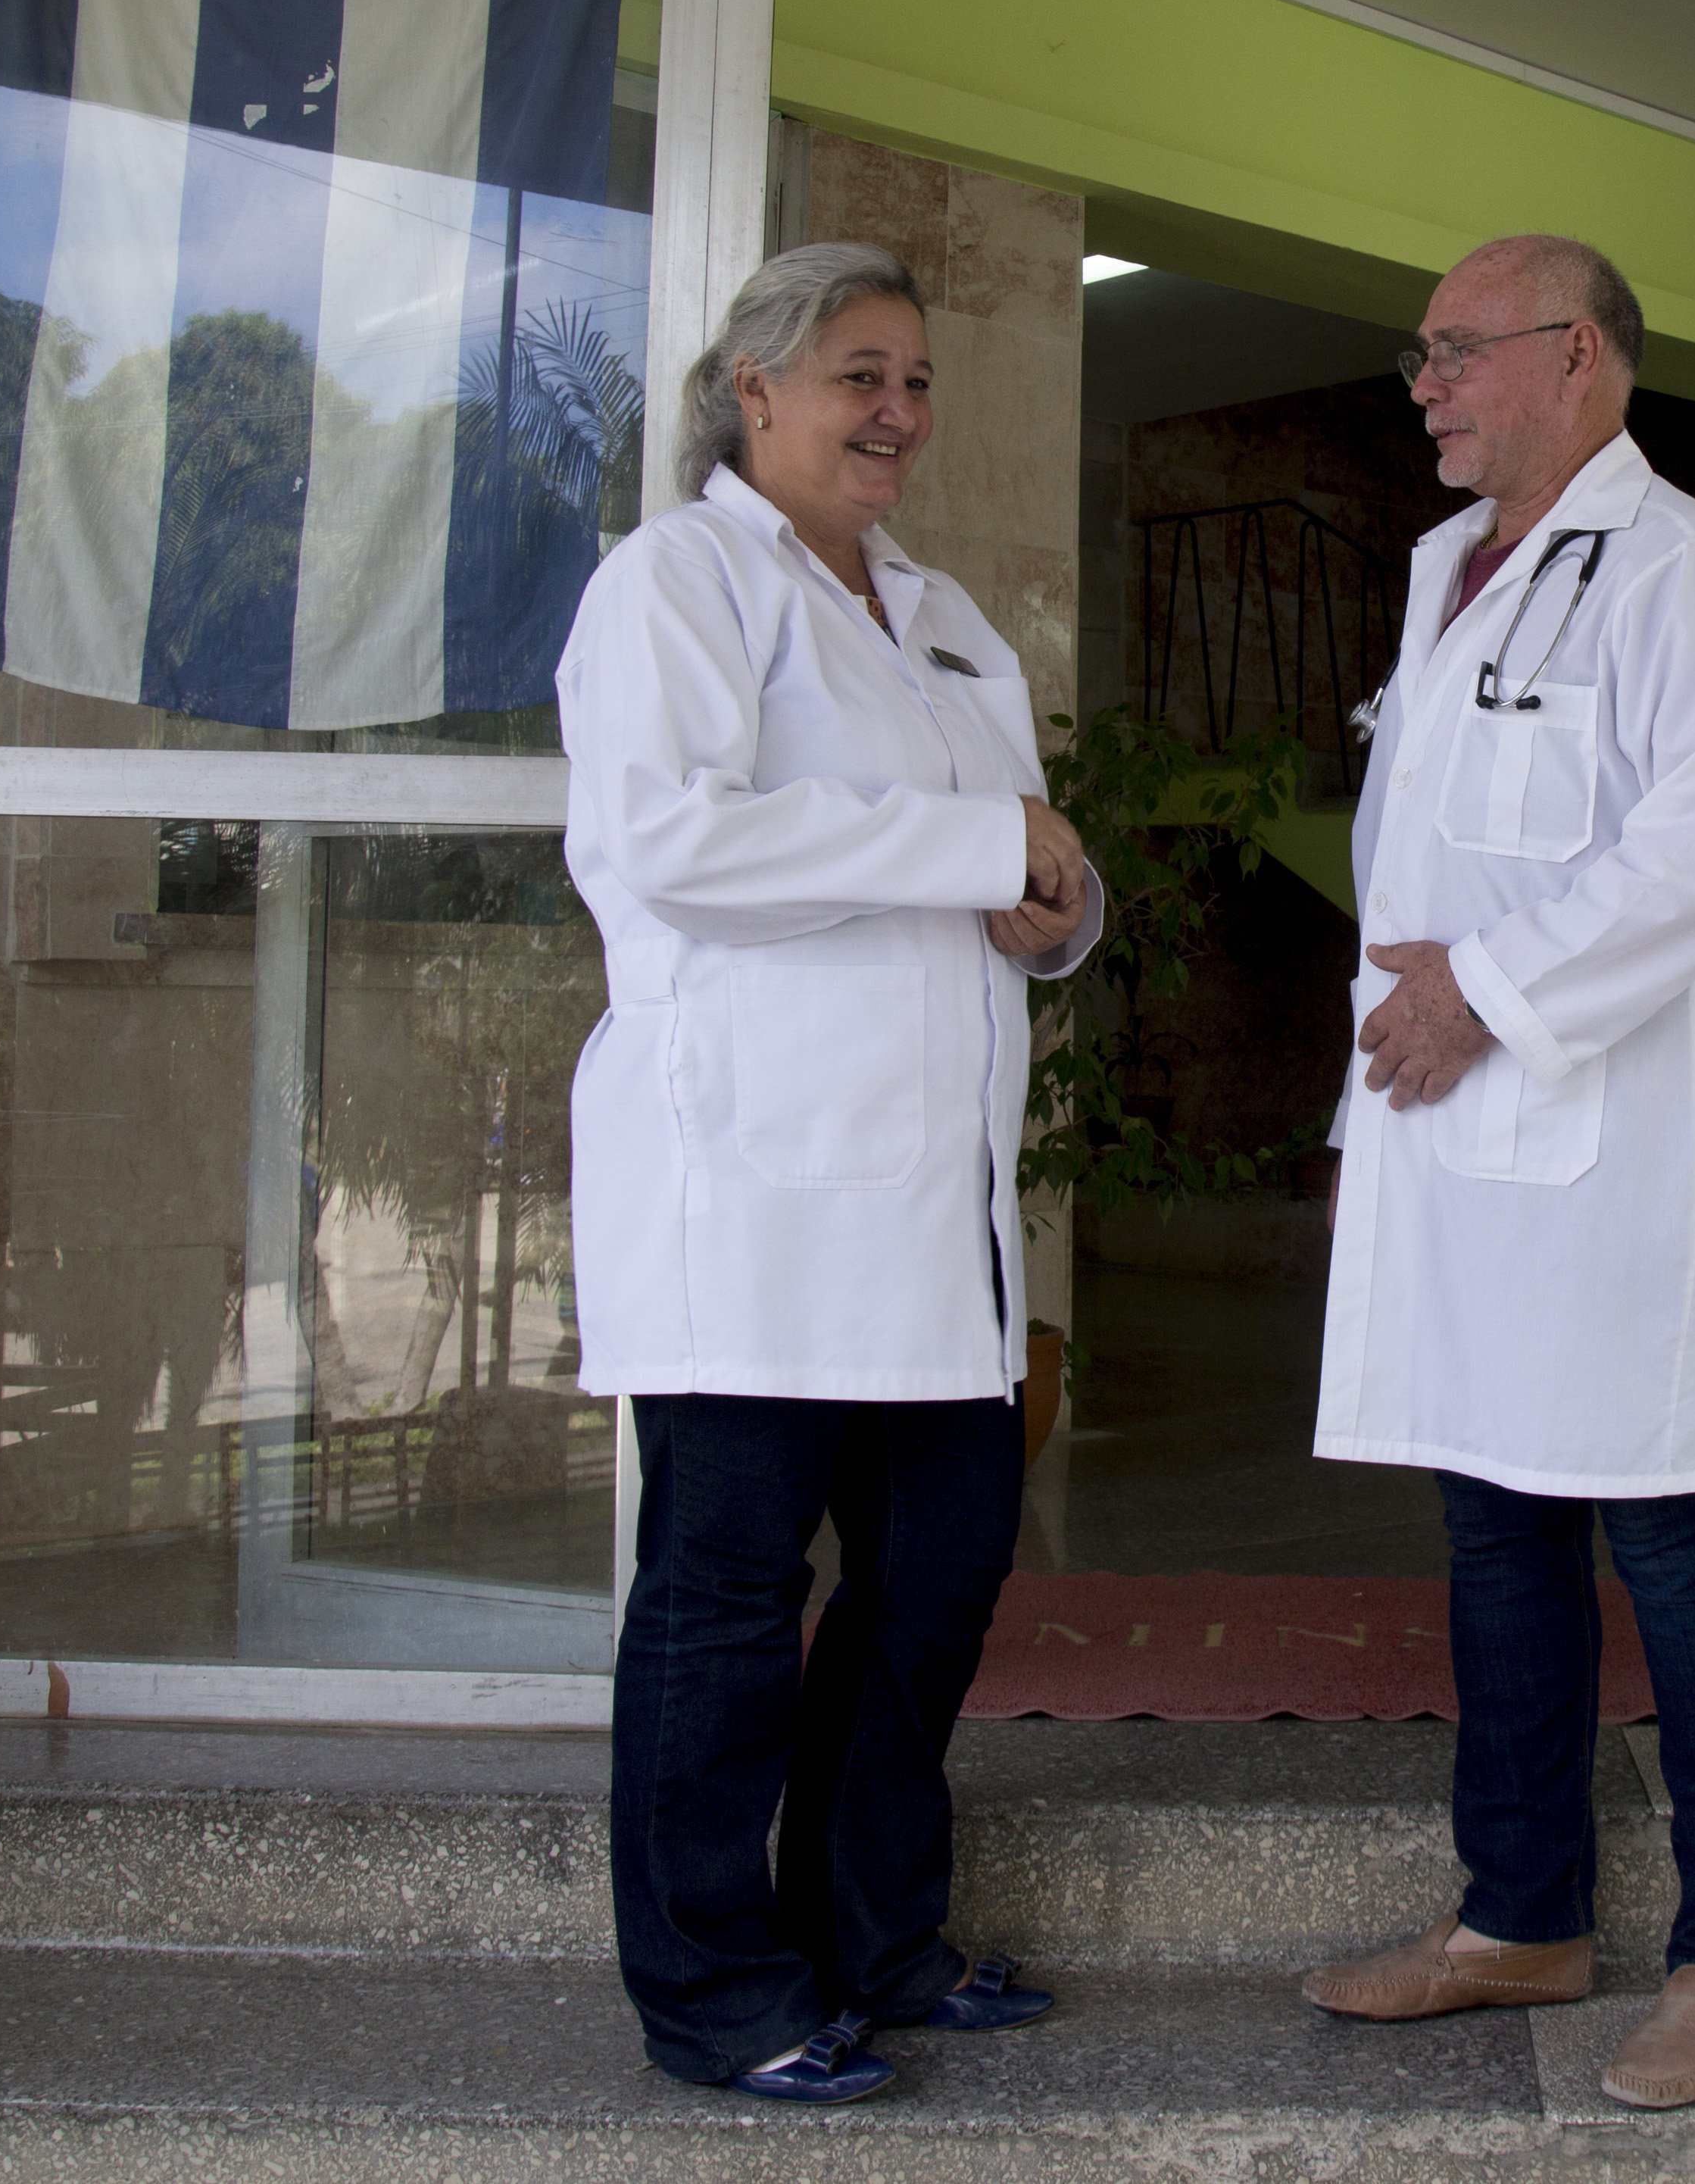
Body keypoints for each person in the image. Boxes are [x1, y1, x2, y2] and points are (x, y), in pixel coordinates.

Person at [557, 239, 1103, 2105]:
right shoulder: (676, 585)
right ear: (755, 390)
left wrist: (1053, 912)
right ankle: (717, 1991)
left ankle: (878, 1940)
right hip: (758, 1202)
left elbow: (1018, 863)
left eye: (920, 382)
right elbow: (681, 842)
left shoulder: (944, 612)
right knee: (723, 1605)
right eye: (859, 374)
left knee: (935, 1580)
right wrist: (977, 849)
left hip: (932, 1216)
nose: (897, 412)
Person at [1294, 234, 1695, 2112]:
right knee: (1495, 1527)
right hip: (1459, 1145)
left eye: (1454, 350)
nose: (1422, 383)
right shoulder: (1449, 572)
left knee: (1679, 1537)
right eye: (1419, 353)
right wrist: (1423, 1058)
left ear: (1576, 352)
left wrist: (1495, 999)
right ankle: (1520, 1916)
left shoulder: (1694, 576)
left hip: (1614, 1156)